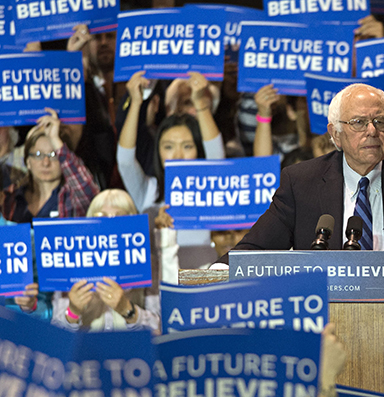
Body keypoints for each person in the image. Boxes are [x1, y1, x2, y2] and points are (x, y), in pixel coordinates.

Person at [214, 83, 384, 310]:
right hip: (328, 320)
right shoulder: (302, 182)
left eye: (380, 121)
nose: (371, 131)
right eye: (358, 122)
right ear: (335, 133)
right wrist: (213, 274)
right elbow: (255, 249)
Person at [51, 190, 162, 333]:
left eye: (119, 216)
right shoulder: (70, 265)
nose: (110, 222)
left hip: (132, 353)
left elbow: (159, 330)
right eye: (101, 216)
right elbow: (56, 336)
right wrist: (73, 311)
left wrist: (127, 310)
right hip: (87, 352)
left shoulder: (148, 265)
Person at [117, 70, 224, 213]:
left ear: (198, 149)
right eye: (168, 147)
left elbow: (216, 154)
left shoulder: (212, 188)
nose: (177, 155)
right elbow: (125, 159)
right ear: (158, 152)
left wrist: (200, 103)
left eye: (187, 146)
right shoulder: (149, 191)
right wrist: (136, 102)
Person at [2, 108, 99, 222]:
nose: (46, 162)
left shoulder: (72, 198)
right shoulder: (10, 197)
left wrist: (55, 139)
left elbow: (88, 190)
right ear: (28, 162)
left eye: (53, 155)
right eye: (38, 155)